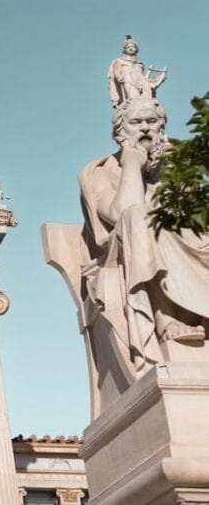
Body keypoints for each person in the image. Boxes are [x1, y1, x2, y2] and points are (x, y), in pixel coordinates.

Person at [79, 97, 209, 373]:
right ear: (120, 131)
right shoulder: (100, 172)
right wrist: (131, 165)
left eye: (152, 121)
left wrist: (177, 174)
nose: (145, 128)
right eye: (136, 122)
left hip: (184, 240)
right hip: (123, 249)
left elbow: (195, 216)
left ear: (162, 126)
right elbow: (120, 214)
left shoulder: (175, 162)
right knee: (139, 217)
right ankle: (165, 318)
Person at [107, 36, 165, 108]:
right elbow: (117, 73)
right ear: (125, 50)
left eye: (132, 46)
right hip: (129, 81)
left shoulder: (140, 63)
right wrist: (120, 77)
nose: (130, 48)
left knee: (148, 101)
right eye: (128, 47)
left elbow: (142, 75)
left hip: (143, 82)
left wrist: (158, 79)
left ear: (136, 49)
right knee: (134, 100)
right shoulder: (119, 61)